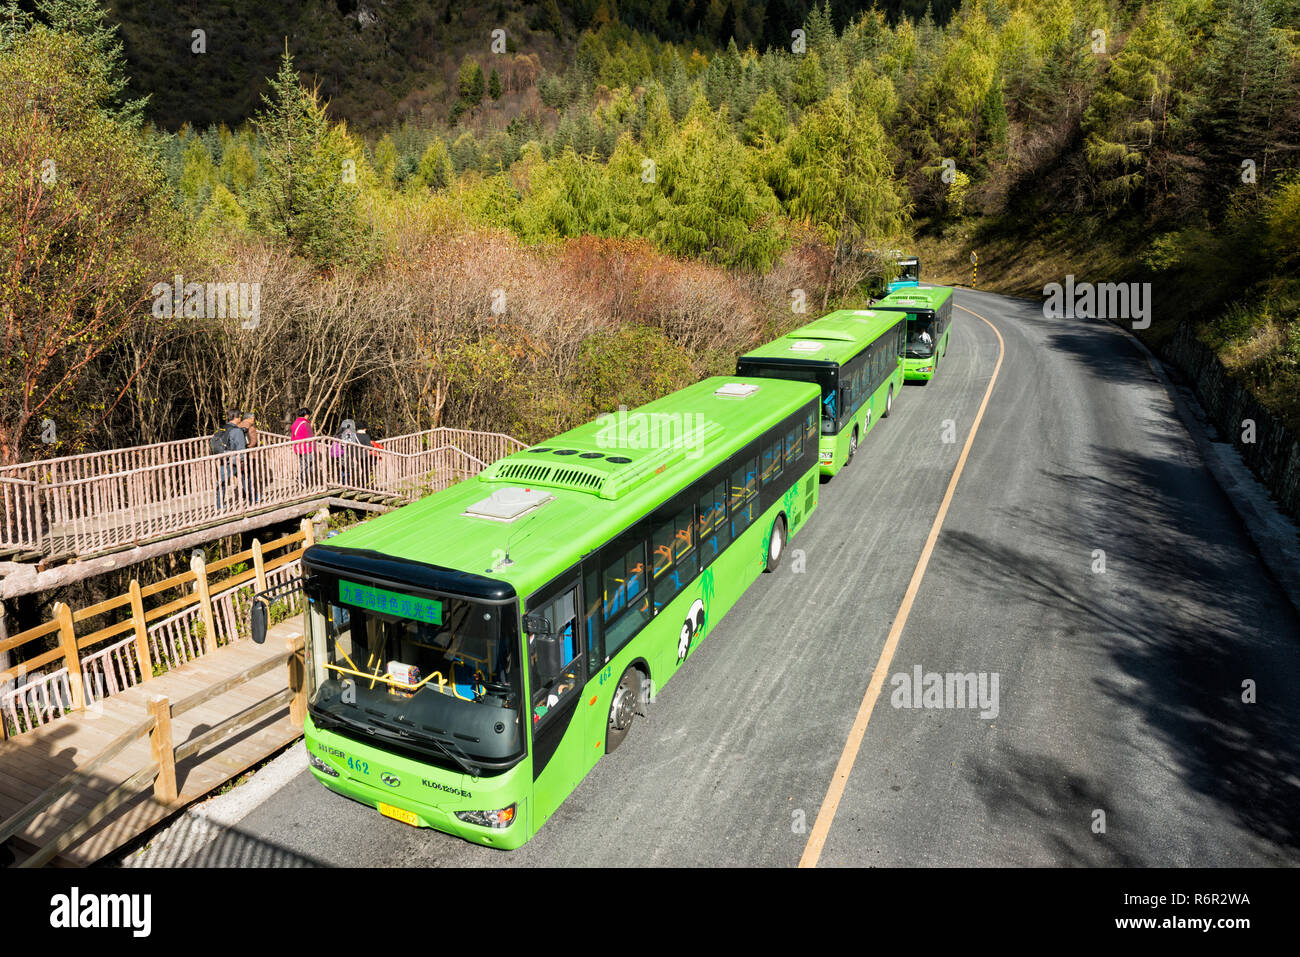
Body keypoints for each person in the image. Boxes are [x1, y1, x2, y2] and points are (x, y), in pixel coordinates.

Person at [217, 410, 247, 510]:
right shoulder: (237, 431)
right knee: (246, 477)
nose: (240, 419)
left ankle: (219, 505)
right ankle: (253, 498)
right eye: (239, 417)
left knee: (222, 482)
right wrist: (242, 461)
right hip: (234, 460)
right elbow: (241, 447)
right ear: (236, 418)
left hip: (223, 458)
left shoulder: (222, 428)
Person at [291, 407, 315, 489]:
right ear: (306, 415)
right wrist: (314, 448)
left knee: (303, 464)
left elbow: (293, 437)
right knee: (310, 465)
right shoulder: (305, 424)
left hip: (297, 447)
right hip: (306, 448)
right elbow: (310, 437)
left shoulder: (294, 424)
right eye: (308, 415)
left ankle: (302, 481)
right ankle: (303, 480)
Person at [241, 412, 262, 504]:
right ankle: (254, 496)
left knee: (243, 476)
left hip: (239, 455)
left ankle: (246, 493)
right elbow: (253, 442)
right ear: (250, 418)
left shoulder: (237, 426)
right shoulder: (251, 427)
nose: (254, 420)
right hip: (249, 455)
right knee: (249, 476)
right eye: (253, 418)